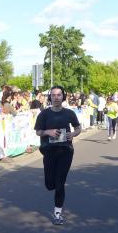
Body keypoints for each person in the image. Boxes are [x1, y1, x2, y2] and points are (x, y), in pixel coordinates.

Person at [35, 85, 82, 225]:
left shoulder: (69, 113)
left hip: (65, 151)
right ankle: (54, 186)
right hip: (49, 151)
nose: (56, 98)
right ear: (50, 97)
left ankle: (57, 213)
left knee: (60, 183)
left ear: (63, 97)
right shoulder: (44, 114)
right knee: (50, 184)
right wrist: (48, 132)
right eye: (53, 95)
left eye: (59, 95)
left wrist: (73, 134)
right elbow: (38, 131)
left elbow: (78, 128)